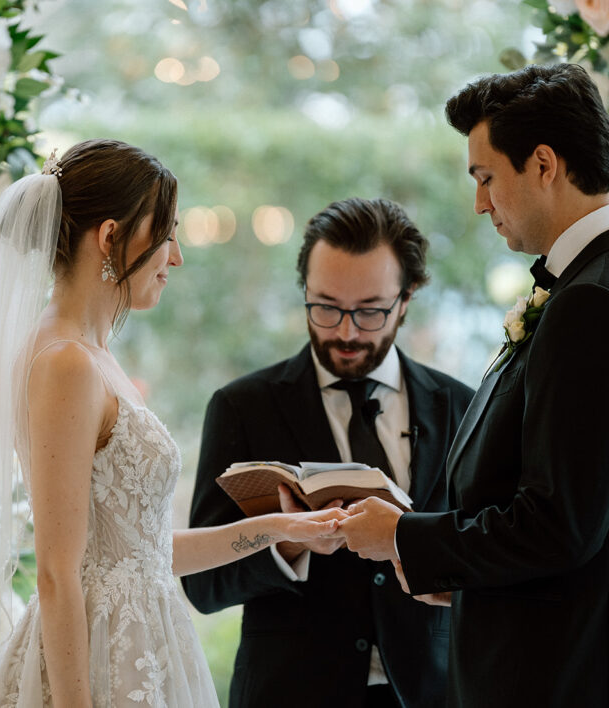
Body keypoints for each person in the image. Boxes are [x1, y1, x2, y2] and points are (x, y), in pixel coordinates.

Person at [0, 139, 344, 708]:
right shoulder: (64, 363)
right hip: (96, 666)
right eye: (167, 234)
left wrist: (285, 529)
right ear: (110, 236)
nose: (176, 256)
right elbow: (55, 572)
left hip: (143, 646)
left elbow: (140, 554)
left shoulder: (92, 354)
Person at [338, 64, 609, 707]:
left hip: (561, 677)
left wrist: (401, 537)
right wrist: (451, 566)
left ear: (545, 164)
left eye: (486, 177)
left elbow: (559, 524)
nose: (479, 202)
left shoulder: (597, 300)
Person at [182, 197, 474, 707]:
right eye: (326, 307)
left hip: (432, 693)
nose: (345, 331)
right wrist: (286, 543)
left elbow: (486, 554)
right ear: (304, 293)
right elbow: (203, 585)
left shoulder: (462, 407)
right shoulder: (242, 407)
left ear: (405, 300)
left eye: (370, 311)